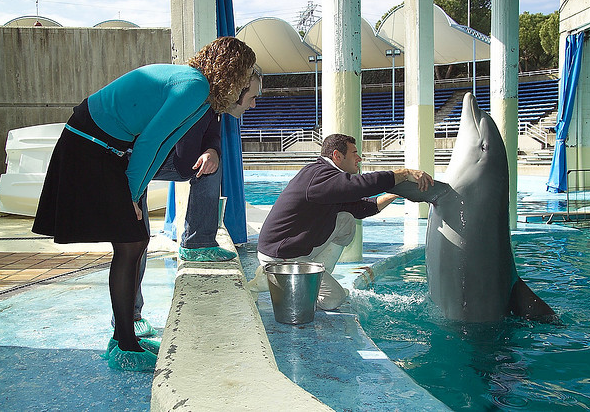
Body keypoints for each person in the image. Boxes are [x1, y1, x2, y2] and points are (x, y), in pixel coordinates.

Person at [32, 36, 256, 372]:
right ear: (234, 70)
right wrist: (129, 192)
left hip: (109, 148)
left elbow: (161, 147)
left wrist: (134, 194)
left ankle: (126, 338)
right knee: (130, 242)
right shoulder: (193, 86)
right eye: (247, 72)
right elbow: (150, 141)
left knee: (135, 241)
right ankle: (125, 344)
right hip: (90, 143)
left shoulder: (202, 95)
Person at [124, 72, 261, 338]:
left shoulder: (214, 106)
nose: (254, 105)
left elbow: (207, 140)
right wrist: (130, 192)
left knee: (213, 162)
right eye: (252, 97)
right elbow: (164, 147)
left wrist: (211, 152)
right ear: (235, 90)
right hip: (132, 164)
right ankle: (129, 317)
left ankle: (198, 241)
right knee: (134, 242)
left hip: (158, 159)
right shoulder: (193, 96)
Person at [247, 133, 434, 310]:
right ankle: (271, 280)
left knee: (345, 220)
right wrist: (404, 173)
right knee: (333, 300)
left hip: (295, 249)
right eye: (354, 153)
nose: (359, 158)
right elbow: (360, 185)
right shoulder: (319, 176)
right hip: (281, 254)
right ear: (337, 155)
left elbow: (362, 208)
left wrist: (394, 193)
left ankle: (314, 277)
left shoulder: (330, 182)